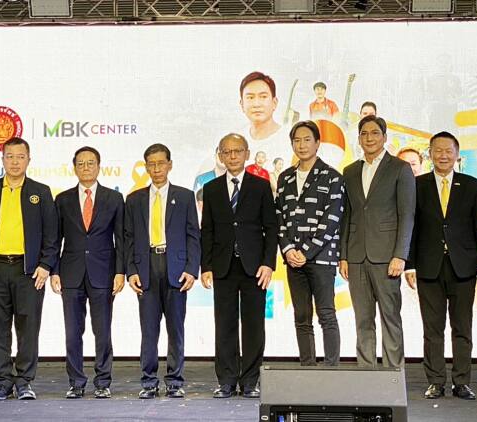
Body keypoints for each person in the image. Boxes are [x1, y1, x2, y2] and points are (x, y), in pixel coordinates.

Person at [404, 132, 477, 400]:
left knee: (462, 327)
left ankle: (462, 382)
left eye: (448, 151)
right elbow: (410, 227)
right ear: (429, 154)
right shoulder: (417, 185)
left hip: (463, 267)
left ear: (457, 154)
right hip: (428, 266)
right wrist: (410, 264)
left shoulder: (472, 185)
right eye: (438, 150)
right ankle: (436, 381)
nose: (443, 155)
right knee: (432, 329)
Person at [0, 137, 58, 401]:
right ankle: (3, 383)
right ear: (2, 159)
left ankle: (24, 382)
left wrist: (45, 264)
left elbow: (52, 234)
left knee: (28, 328)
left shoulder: (40, 192)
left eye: (20, 156)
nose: (15, 162)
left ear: (29, 160)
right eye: (10, 156)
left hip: (28, 272)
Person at [201, 133, 277, 399]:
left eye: (237, 151)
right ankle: (226, 380)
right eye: (227, 152)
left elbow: (271, 228)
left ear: (247, 154)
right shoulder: (211, 188)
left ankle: (251, 381)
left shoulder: (261, 186)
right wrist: (206, 266)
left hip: (254, 267)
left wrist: (268, 264)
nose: (232, 156)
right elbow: (207, 230)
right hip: (223, 266)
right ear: (220, 155)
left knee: (254, 325)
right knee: (224, 325)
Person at [339, 115, 415, 368]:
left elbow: (407, 214)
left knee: (390, 318)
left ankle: (392, 375)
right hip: (356, 256)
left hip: (387, 257)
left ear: (384, 137)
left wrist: (400, 255)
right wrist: (343, 256)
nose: (369, 138)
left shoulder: (400, 168)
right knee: (362, 320)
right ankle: (366, 375)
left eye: (374, 133)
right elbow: (347, 215)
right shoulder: (350, 171)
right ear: (359, 138)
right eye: (364, 133)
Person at [125, 143, 200, 399]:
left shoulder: (185, 196)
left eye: (161, 163)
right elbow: (128, 237)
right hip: (146, 268)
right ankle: (148, 382)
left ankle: (175, 381)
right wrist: (131, 270)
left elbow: (193, 235)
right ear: (146, 167)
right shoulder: (134, 199)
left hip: (176, 269)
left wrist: (192, 269)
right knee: (149, 330)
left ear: (170, 165)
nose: (156, 169)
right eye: (151, 164)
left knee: (175, 329)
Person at [51, 146, 125, 399]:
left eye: (90, 163)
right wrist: (54, 271)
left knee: (102, 331)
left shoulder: (114, 199)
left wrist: (120, 272)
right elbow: (55, 239)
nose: (85, 168)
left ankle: (103, 381)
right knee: (73, 332)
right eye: (80, 164)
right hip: (70, 273)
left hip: (103, 273)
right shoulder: (62, 200)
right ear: (74, 168)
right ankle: (76, 382)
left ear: (98, 166)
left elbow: (121, 239)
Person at [276, 121, 344, 366]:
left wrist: (306, 252)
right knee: (301, 317)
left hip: (321, 258)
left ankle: (331, 369)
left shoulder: (332, 177)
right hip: (293, 259)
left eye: (307, 140)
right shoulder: (285, 178)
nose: (302, 145)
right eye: (297, 140)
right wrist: (288, 249)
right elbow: (279, 217)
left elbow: (332, 220)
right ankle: (307, 367)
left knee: (326, 314)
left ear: (317, 143)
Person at [238, 71, 292, 166]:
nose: (257, 104)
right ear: (242, 105)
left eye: (263, 97)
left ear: (274, 103)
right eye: (250, 98)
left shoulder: (289, 141)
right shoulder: (235, 140)